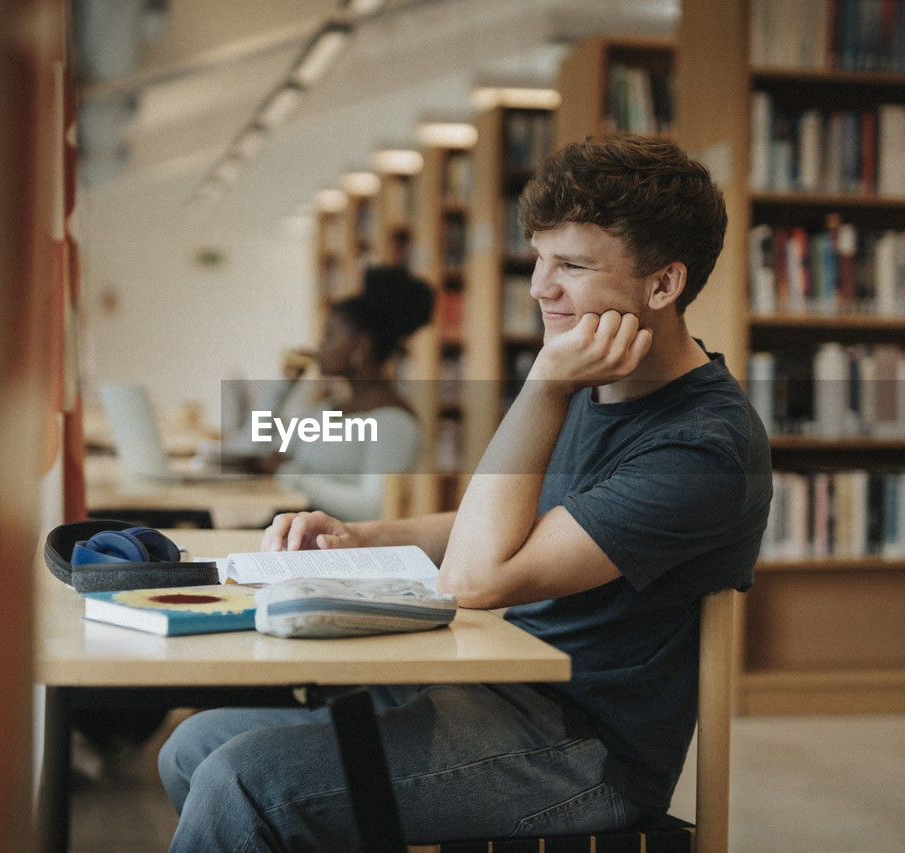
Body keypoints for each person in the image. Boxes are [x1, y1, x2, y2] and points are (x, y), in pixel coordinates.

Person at [158, 134, 772, 851]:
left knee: (242, 779)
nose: (541, 287)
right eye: (540, 258)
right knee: (193, 743)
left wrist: (544, 385)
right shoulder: (591, 380)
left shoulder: (703, 445)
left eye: (571, 265)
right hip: (487, 682)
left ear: (663, 285)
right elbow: (514, 523)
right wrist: (364, 536)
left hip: (581, 746)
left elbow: (480, 576)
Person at [266, 265, 433, 521]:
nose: (321, 345)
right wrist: (283, 384)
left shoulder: (394, 422)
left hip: (333, 551)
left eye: (330, 334)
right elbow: (257, 452)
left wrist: (291, 475)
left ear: (361, 345)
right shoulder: (328, 408)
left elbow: (374, 509)